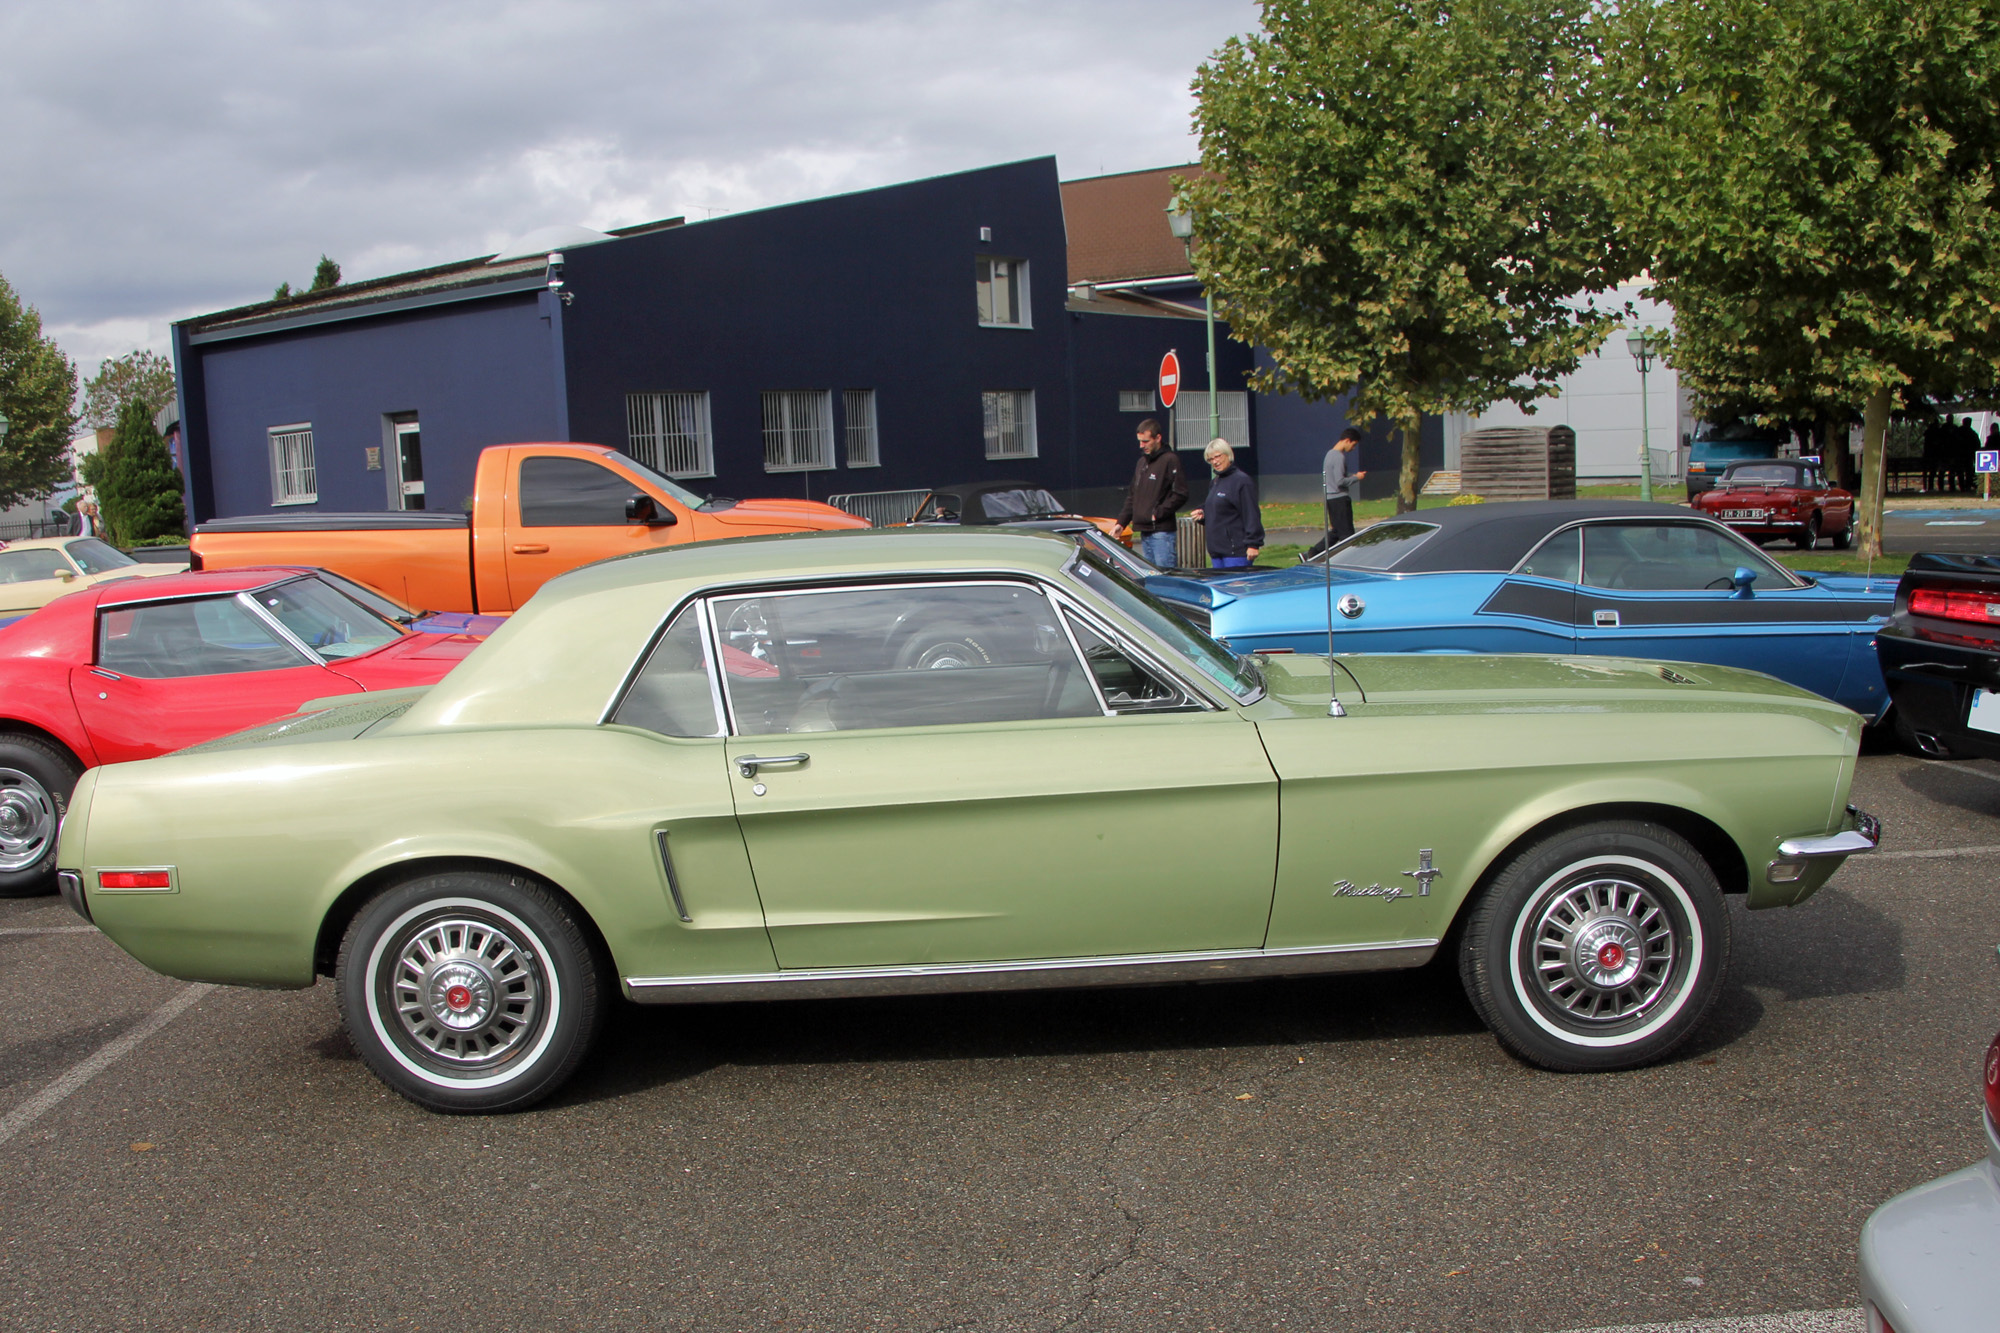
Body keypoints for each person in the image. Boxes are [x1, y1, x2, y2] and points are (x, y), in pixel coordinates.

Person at [1115, 417, 1188, 568]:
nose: (1142, 446)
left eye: (1146, 441)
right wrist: (1121, 523)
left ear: (1158, 438)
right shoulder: (1142, 463)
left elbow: (1181, 493)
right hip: (1144, 531)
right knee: (1151, 577)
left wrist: (1158, 513)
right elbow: (1133, 496)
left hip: (1162, 533)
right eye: (1140, 441)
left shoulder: (1170, 460)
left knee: (1166, 577)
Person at [1189, 440, 1263, 568]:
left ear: (1228, 455)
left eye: (1217, 456)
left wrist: (1253, 544)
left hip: (1236, 553)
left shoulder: (1242, 481)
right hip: (1216, 552)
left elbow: (1251, 513)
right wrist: (1203, 513)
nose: (1215, 462)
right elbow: (1217, 508)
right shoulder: (1215, 482)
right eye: (1210, 459)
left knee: (1234, 587)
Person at [1305, 427, 1366, 558]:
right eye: (1353, 445)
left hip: (1330, 497)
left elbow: (1334, 477)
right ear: (1347, 441)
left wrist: (1351, 475)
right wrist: (1357, 478)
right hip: (1340, 498)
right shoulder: (1339, 457)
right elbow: (1340, 481)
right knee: (1347, 534)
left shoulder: (1329, 454)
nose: (1353, 448)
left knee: (1337, 531)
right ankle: (1349, 559)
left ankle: (1313, 553)